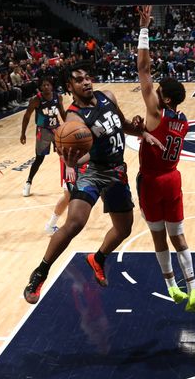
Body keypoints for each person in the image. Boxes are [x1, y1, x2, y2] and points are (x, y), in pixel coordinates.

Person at [23, 63, 163, 304]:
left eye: (88, 77)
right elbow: (83, 154)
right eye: (79, 79)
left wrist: (141, 131)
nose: (86, 82)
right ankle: (40, 272)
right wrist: (73, 159)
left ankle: (98, 258)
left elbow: (123, 124)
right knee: (75, 222)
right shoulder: (74, 116)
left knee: (124, 229)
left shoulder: (107, 96)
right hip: (94, 171)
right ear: (70, 86)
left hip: (117, 171)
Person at [135, 5, 195, 312]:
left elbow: (143, 71)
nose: (153, 91)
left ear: (167, 99)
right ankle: (194, 289)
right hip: (174, 179)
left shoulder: (155, 114)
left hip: (151, 181)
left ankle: (172, 287)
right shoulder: (183, 120)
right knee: (180, 237)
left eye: (159, 91)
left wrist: (144, 28)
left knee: (158, 236)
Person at [20, 77, 67, 198]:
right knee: (39, 159)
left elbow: (62, 112)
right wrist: (23, 133)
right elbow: (26, 116)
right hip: (43, 131)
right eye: (44, 85)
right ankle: (28, 182)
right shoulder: (36, 99)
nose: (46, 87)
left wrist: (68, 126)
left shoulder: (58, 97)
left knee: (65, 156)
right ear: (40, 87)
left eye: (48, 85)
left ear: (52, 86)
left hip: (57, 130)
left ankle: (69, 183)